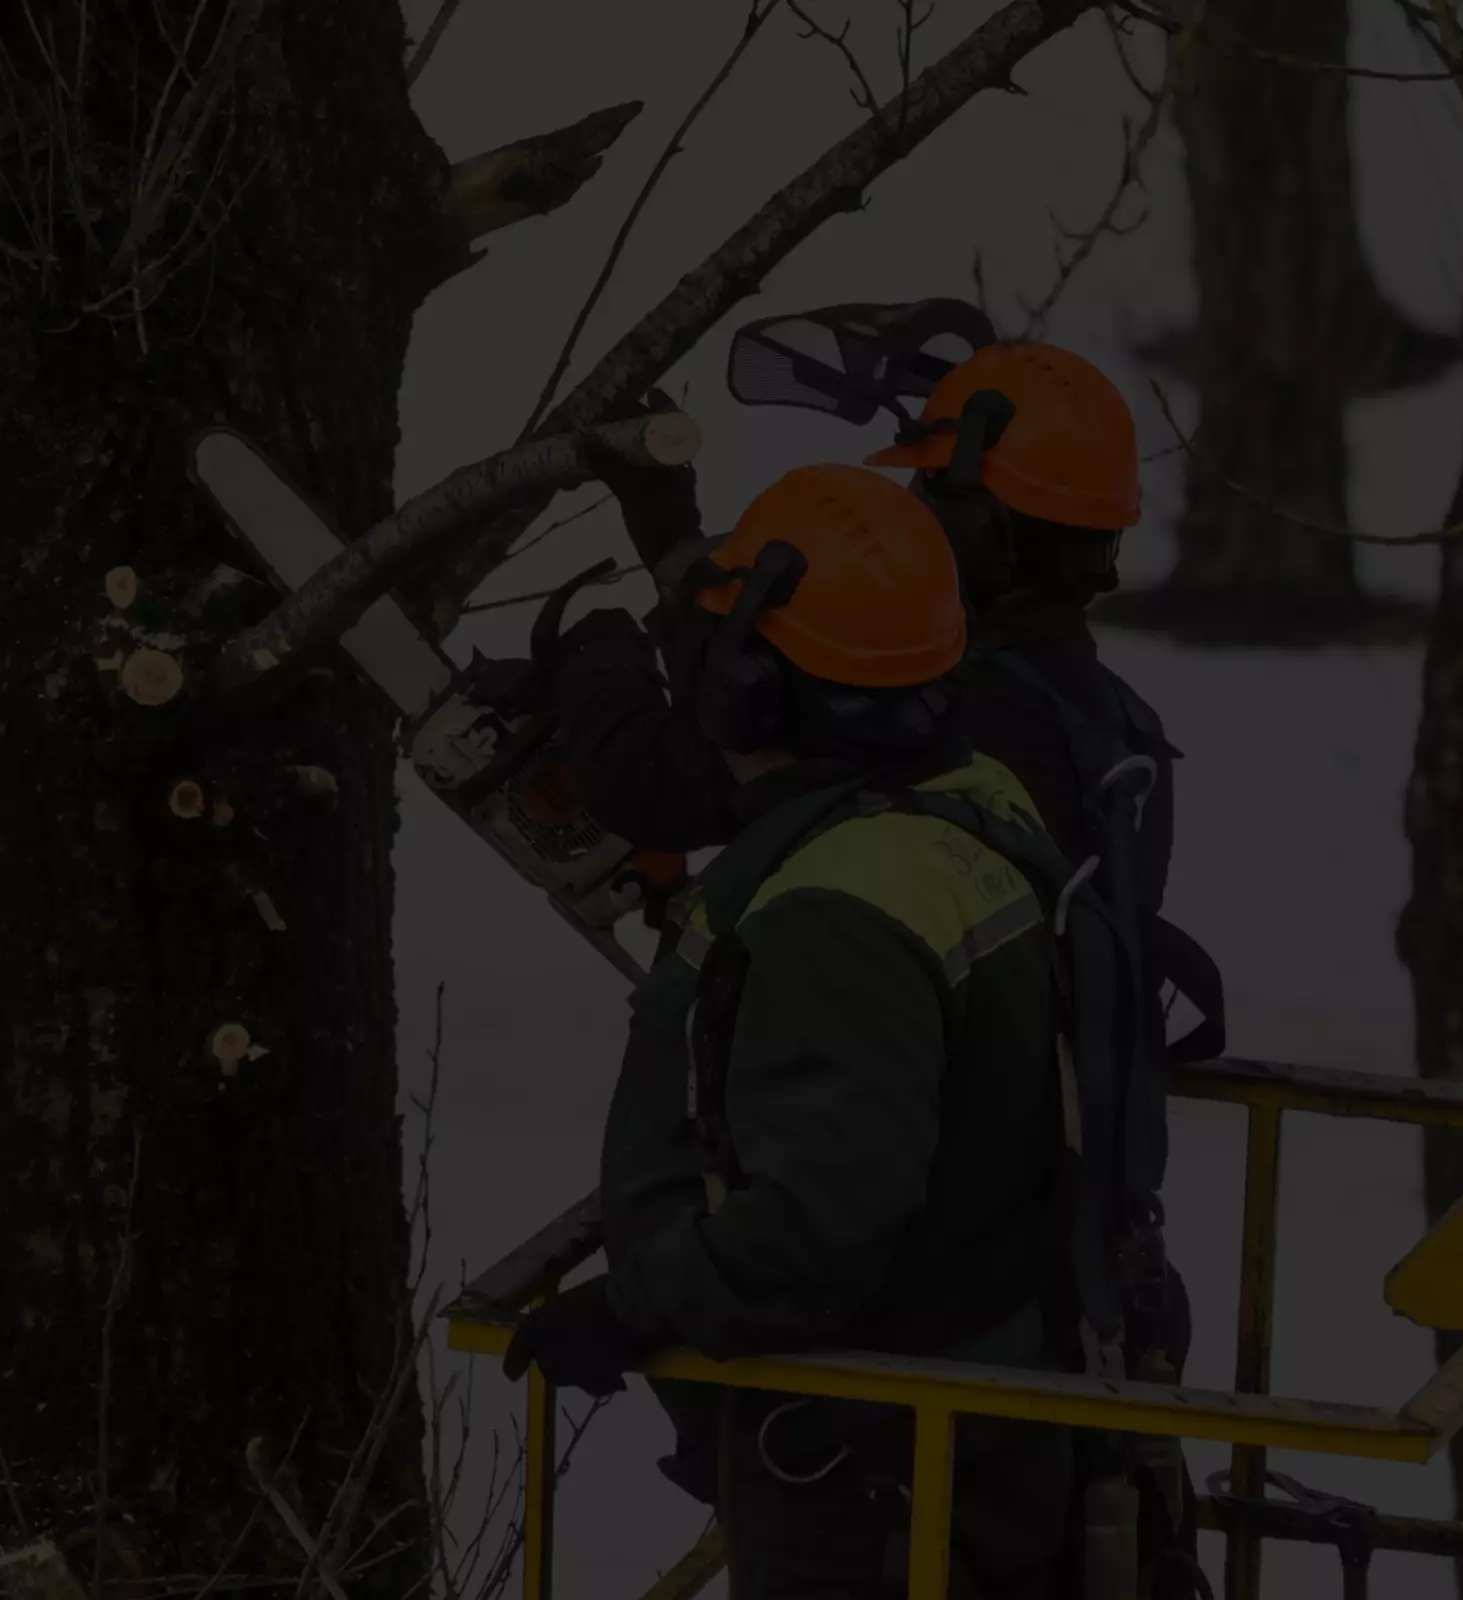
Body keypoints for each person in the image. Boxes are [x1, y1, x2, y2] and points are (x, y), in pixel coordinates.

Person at [502, 463, 1098, 1599]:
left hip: (870, 1458)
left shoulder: (839, 909)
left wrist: (631, 1309)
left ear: (747, 687)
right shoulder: (967, 796)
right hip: (971, 1410)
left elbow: (818, 1229)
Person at [549, 340, 1186, 929]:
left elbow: (647, 783)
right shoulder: (1121, 731)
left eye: (928, 482)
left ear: (977, 526)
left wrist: (595, 660)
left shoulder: (907, 713)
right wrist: (679, 550)